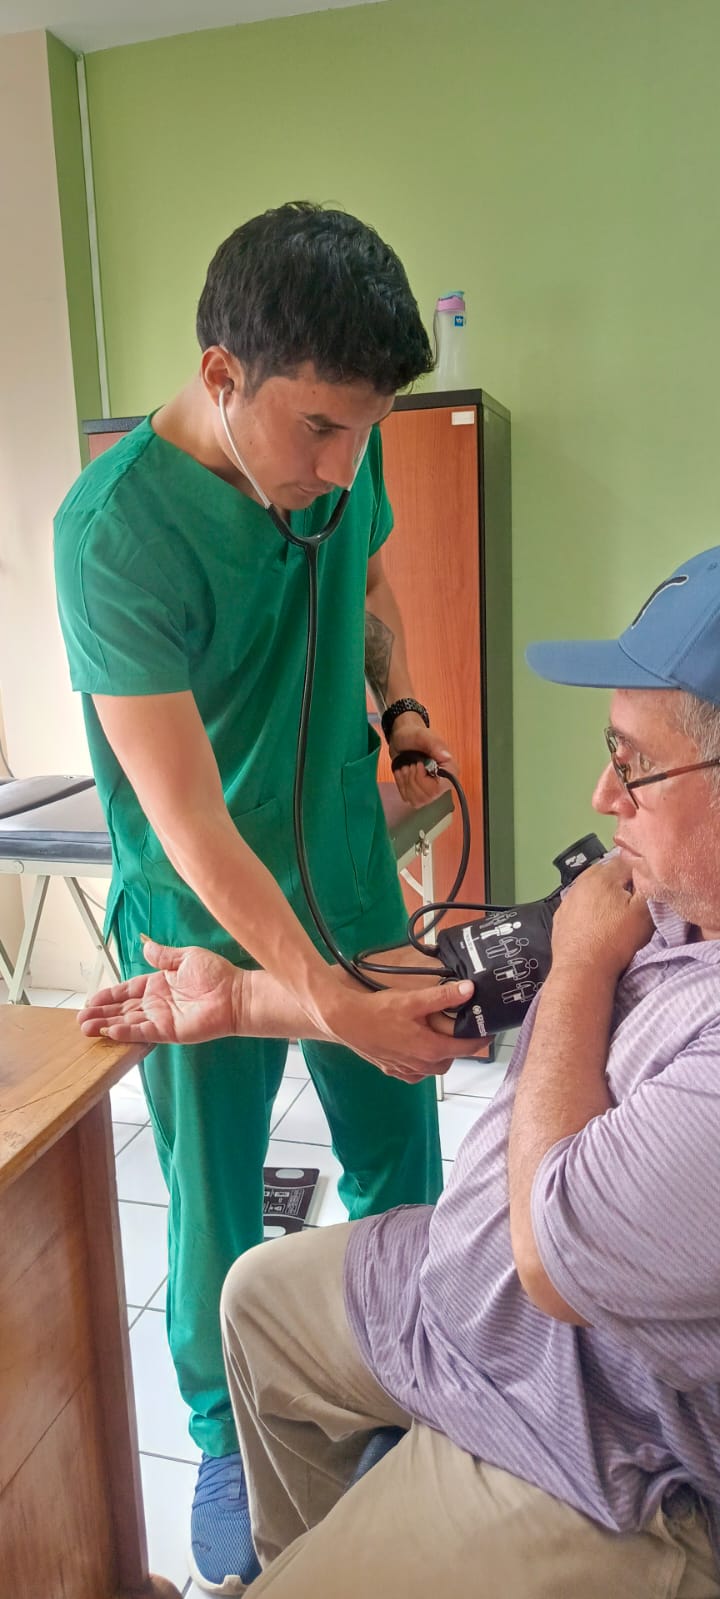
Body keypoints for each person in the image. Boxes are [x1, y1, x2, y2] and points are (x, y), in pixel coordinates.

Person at [82, 547, 720, 1597]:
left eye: (635, 763)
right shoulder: (671, 887)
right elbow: (466, 978)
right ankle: (320, 1544)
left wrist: (581, 967)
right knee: (256, 1299)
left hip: (604, 1445)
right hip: (471, 1305)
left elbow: (550, 1255)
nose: (602, 792)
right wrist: (241, 1001)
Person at [53, 201, 477, 1593]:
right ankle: (222, 1432)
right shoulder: (114, 535)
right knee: (214, 1202)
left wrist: (399, 709)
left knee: (400, 1160)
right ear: (221, 374)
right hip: (199, 919)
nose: (342, 466)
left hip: (352, 872)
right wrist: (318, 997)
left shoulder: (339, 452)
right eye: (320, 431)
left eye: (365, 431)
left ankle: (399, 1378)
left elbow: (372, 585)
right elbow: (189, 819)